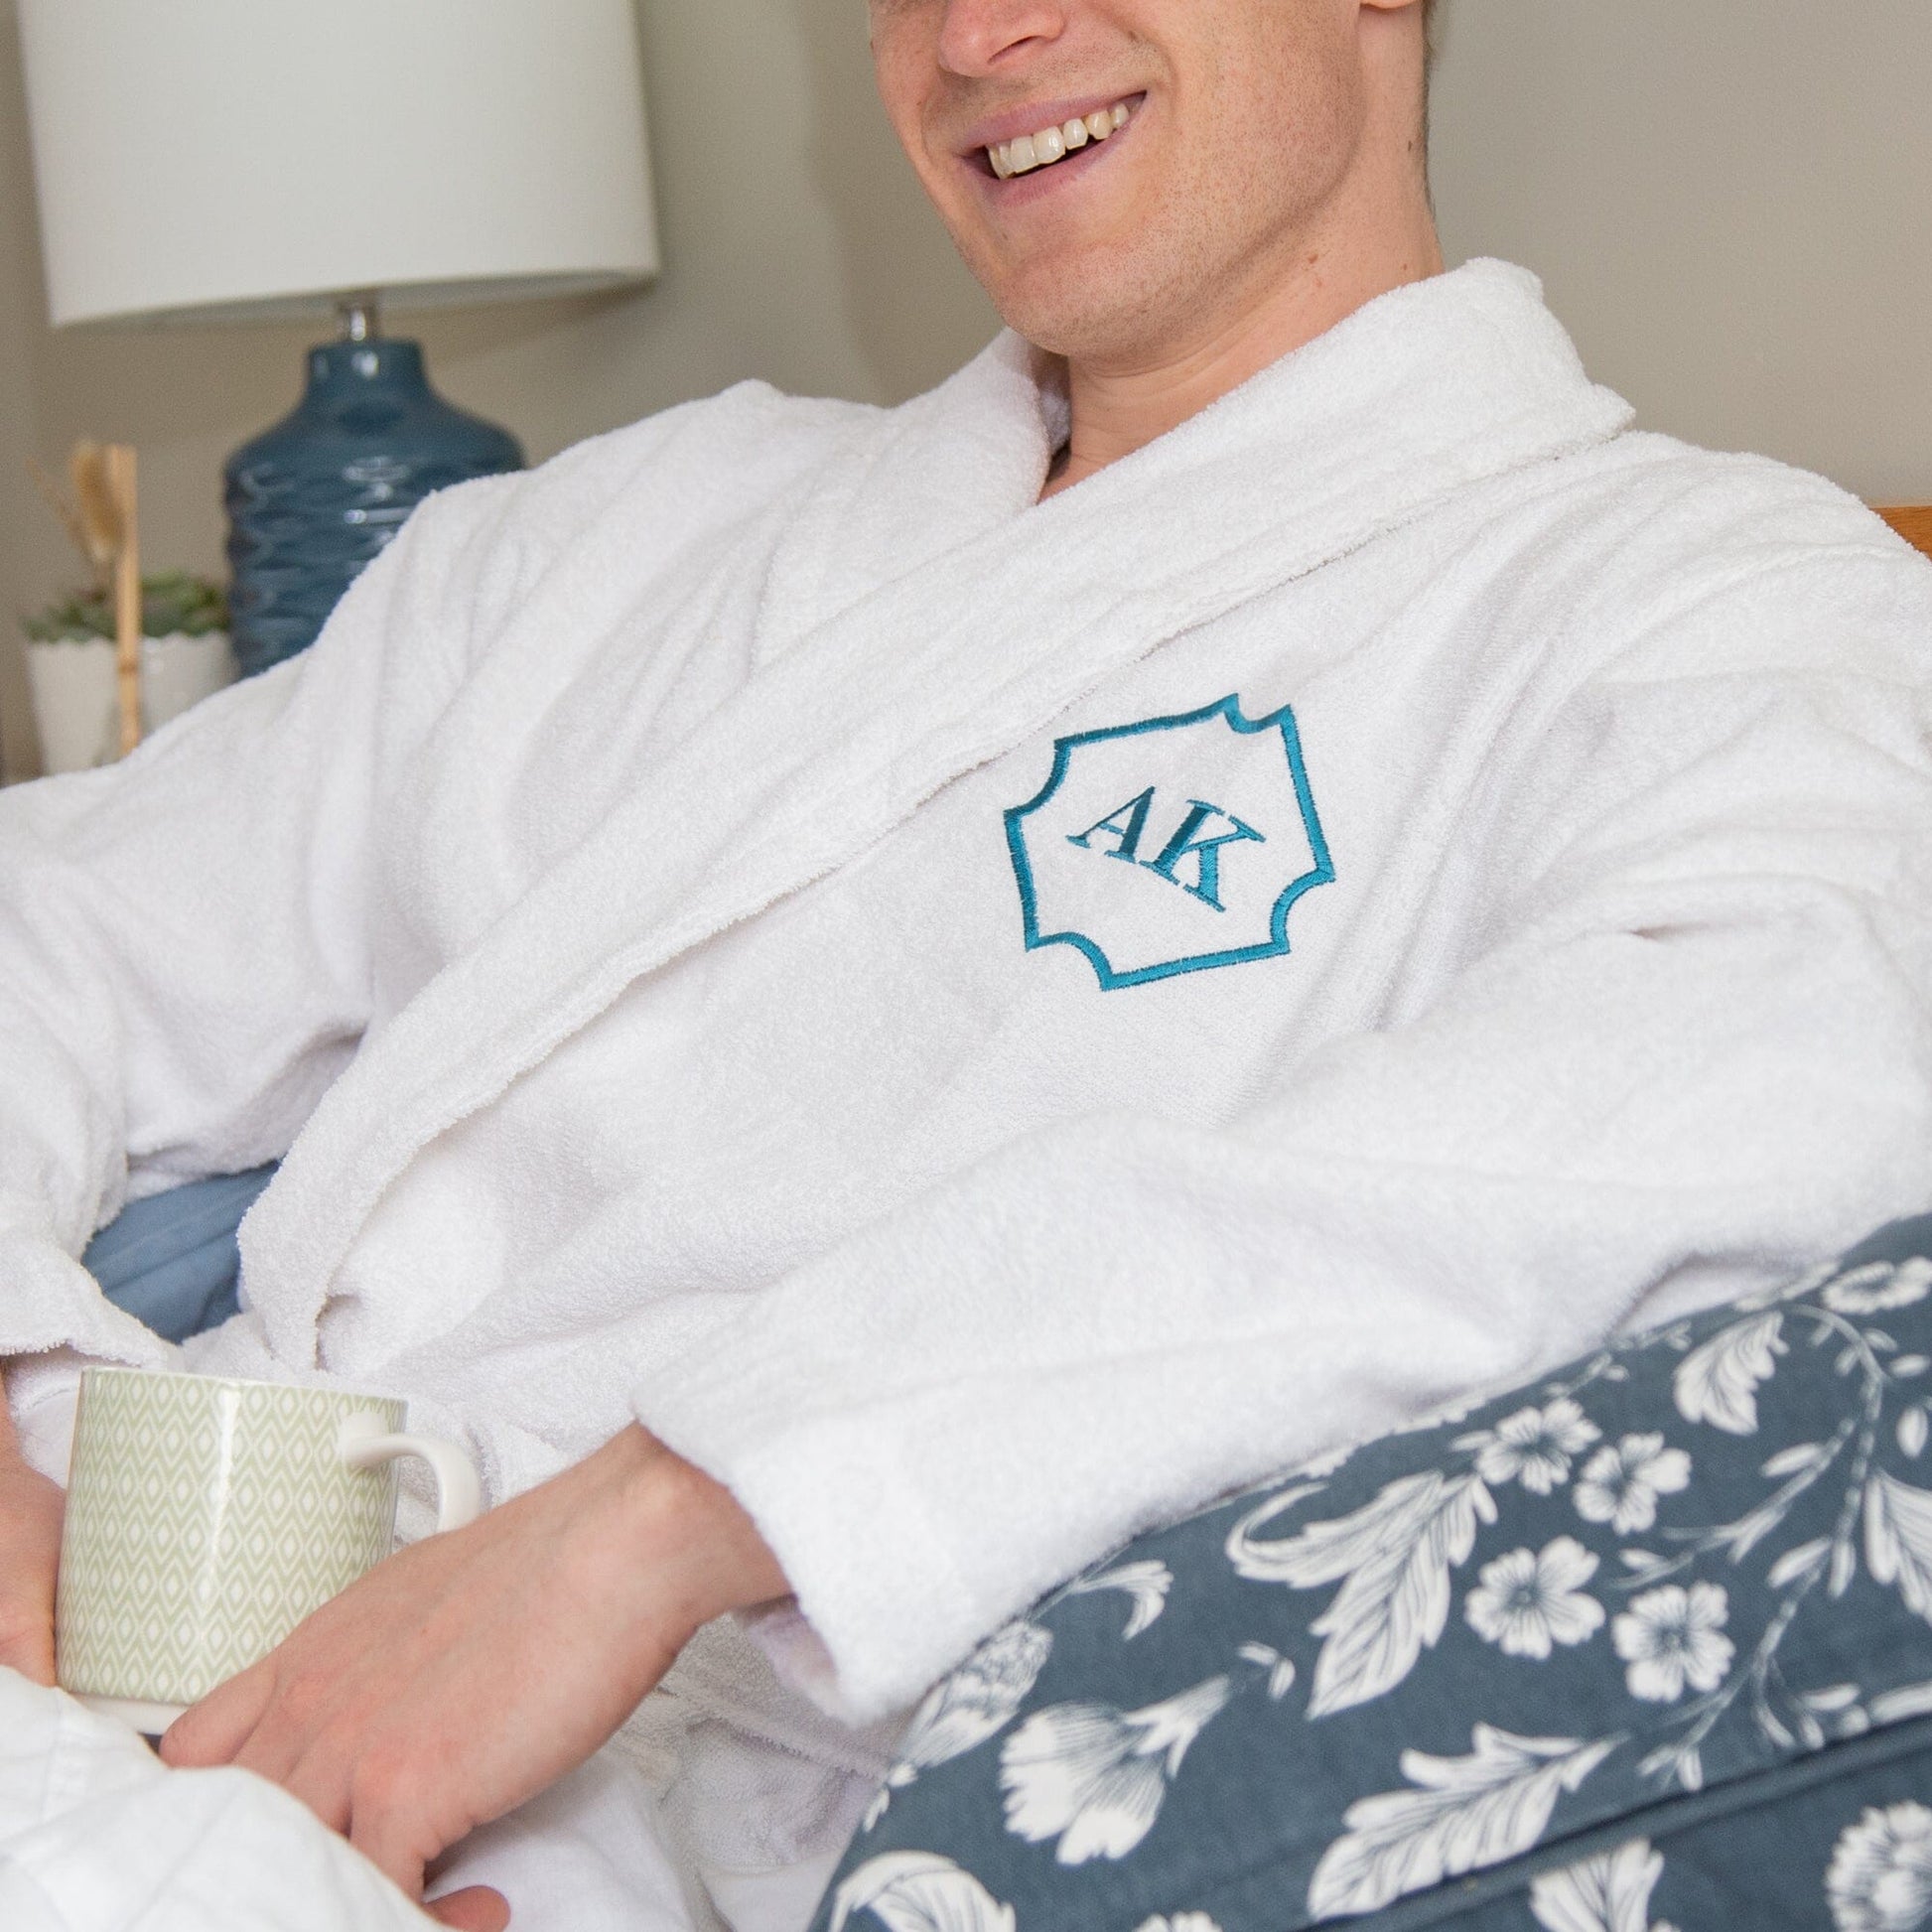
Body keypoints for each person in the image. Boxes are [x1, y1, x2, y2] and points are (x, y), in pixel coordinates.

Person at [4, 0, 1931, 1927]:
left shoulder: (1693, 600)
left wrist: (668, 1510)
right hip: (107, 1626)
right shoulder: (630, 528)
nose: (982, 30)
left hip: (610, 1821)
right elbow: (64, 915)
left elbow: (1760, 1073)